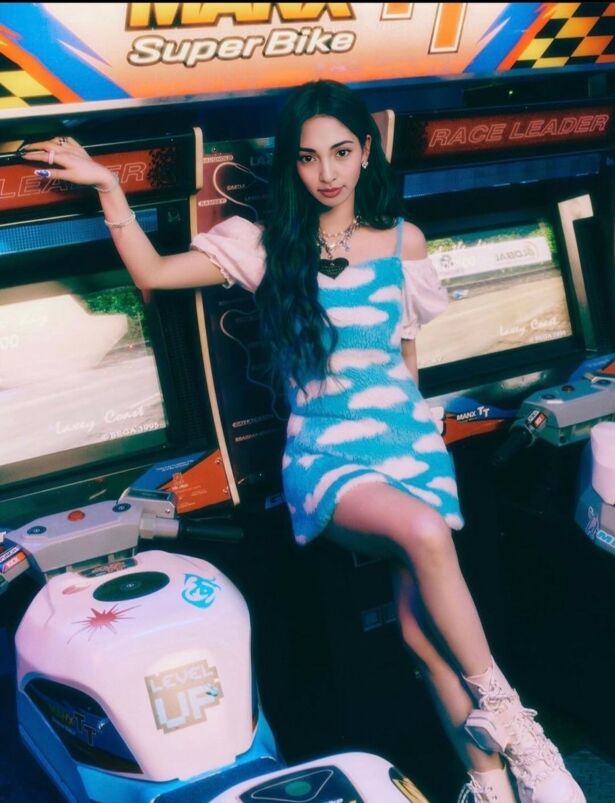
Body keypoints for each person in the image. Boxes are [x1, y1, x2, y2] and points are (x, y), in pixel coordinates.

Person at [21, 80, 585, 803]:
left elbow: (405, 360)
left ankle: (491, 785)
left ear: (365, 152)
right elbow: (154, 275)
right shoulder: (263, 247)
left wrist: (423, 442)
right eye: (310, 156)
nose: (328, 172)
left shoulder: (404, 242)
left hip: (409, 447)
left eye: (342, 153)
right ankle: (517, 726)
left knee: (423, 639)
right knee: (423, 535)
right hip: (328, 457)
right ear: (291, 163)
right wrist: (108, 187)